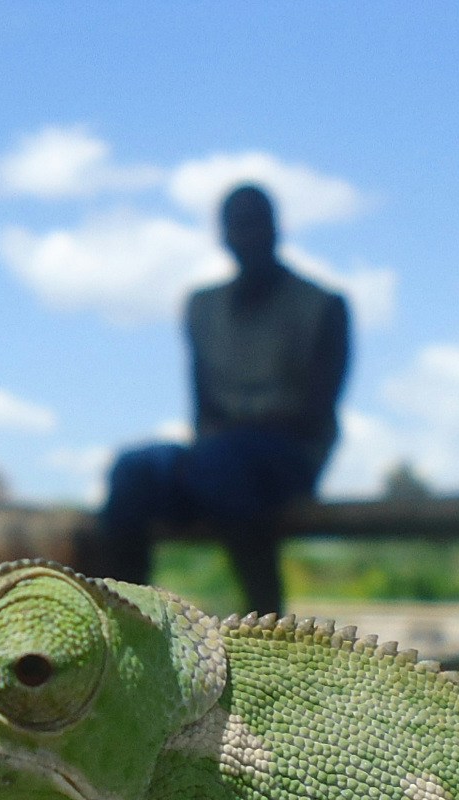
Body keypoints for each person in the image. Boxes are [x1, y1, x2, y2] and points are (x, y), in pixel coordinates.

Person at [96, 184, 350, 616]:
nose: (247, 237)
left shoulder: (322, 306)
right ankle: (127, 624)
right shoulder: (203, 307)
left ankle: (268, 623)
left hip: (287, 461)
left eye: (256, 225)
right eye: (238, 227)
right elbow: (202, 408)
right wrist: (215, 444)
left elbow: (314, 414)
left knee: (221, 465)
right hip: (213, 462)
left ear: (275, 229)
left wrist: (234, 436)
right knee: (132, 471)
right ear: (224, 236)